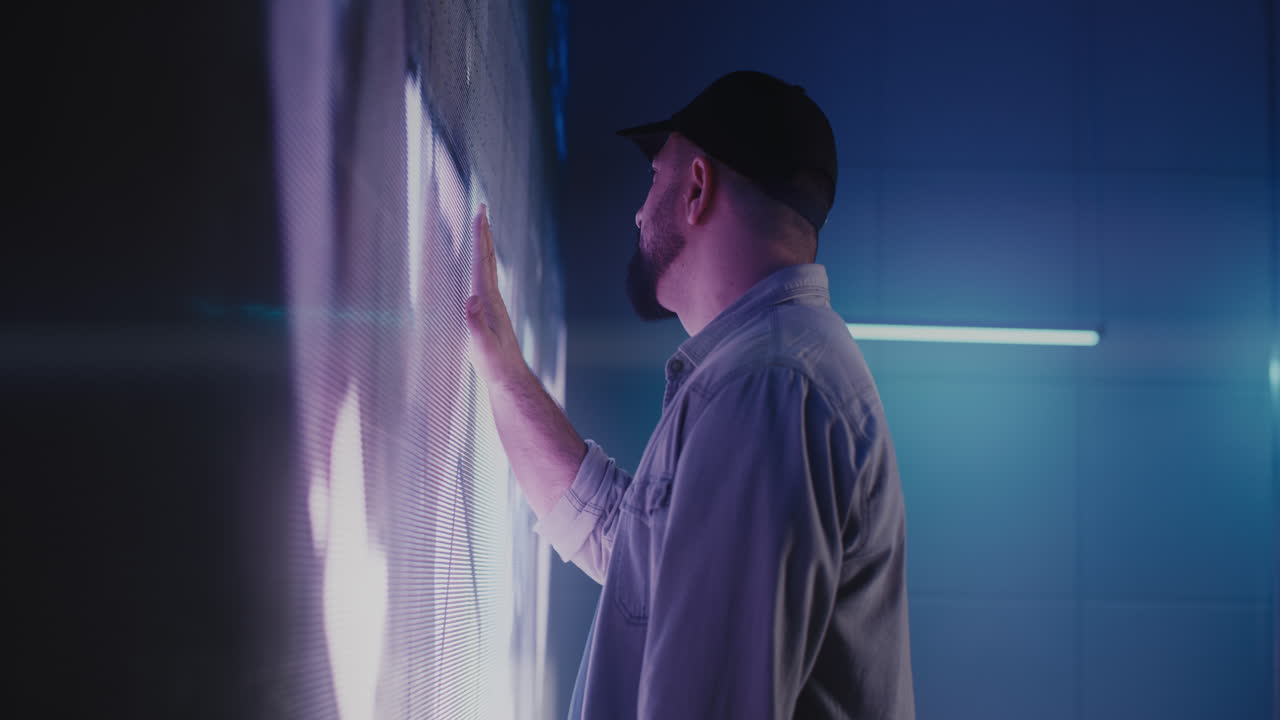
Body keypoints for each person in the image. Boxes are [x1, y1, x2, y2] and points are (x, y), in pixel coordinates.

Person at [465, 70, 915, 720]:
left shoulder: (768, 389)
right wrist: (503, 372)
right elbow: (638, 560)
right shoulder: (775, 370)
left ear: (697, 188)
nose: (640, 210)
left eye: (655, 178)